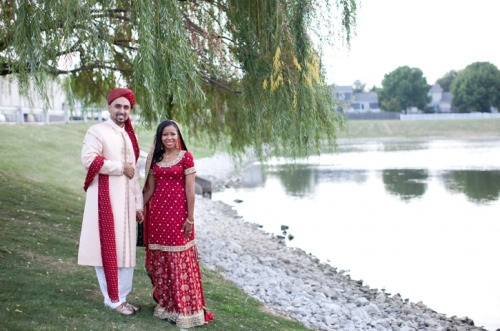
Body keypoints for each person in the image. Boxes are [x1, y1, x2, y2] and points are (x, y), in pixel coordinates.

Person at [141, 120, 214, 328]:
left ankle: (186, 310)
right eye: (165, 135)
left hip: (178, 218)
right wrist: (136, 208)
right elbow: (150, 191)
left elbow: (191, 191)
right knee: (162, 260)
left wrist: (190, 218)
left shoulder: (186, 157)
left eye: (173, 134)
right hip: (157, 218)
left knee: (179, 259)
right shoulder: (156, 159)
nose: (169, 138)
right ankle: (167, 306)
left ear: (178, 136)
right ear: (159, 137)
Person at [78, 88, 144, 316]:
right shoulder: (97, 131)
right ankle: (112, 299)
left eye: (126, 107)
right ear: (109, 107)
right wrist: (119, 167)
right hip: (105, 201)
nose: (122, 111)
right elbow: (89, 160)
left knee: (126, 252)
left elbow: (134, 173)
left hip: (127, 205)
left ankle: (121, 297)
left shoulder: (128, 136)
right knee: (107, 249)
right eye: (118, 106)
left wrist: (138, 205)